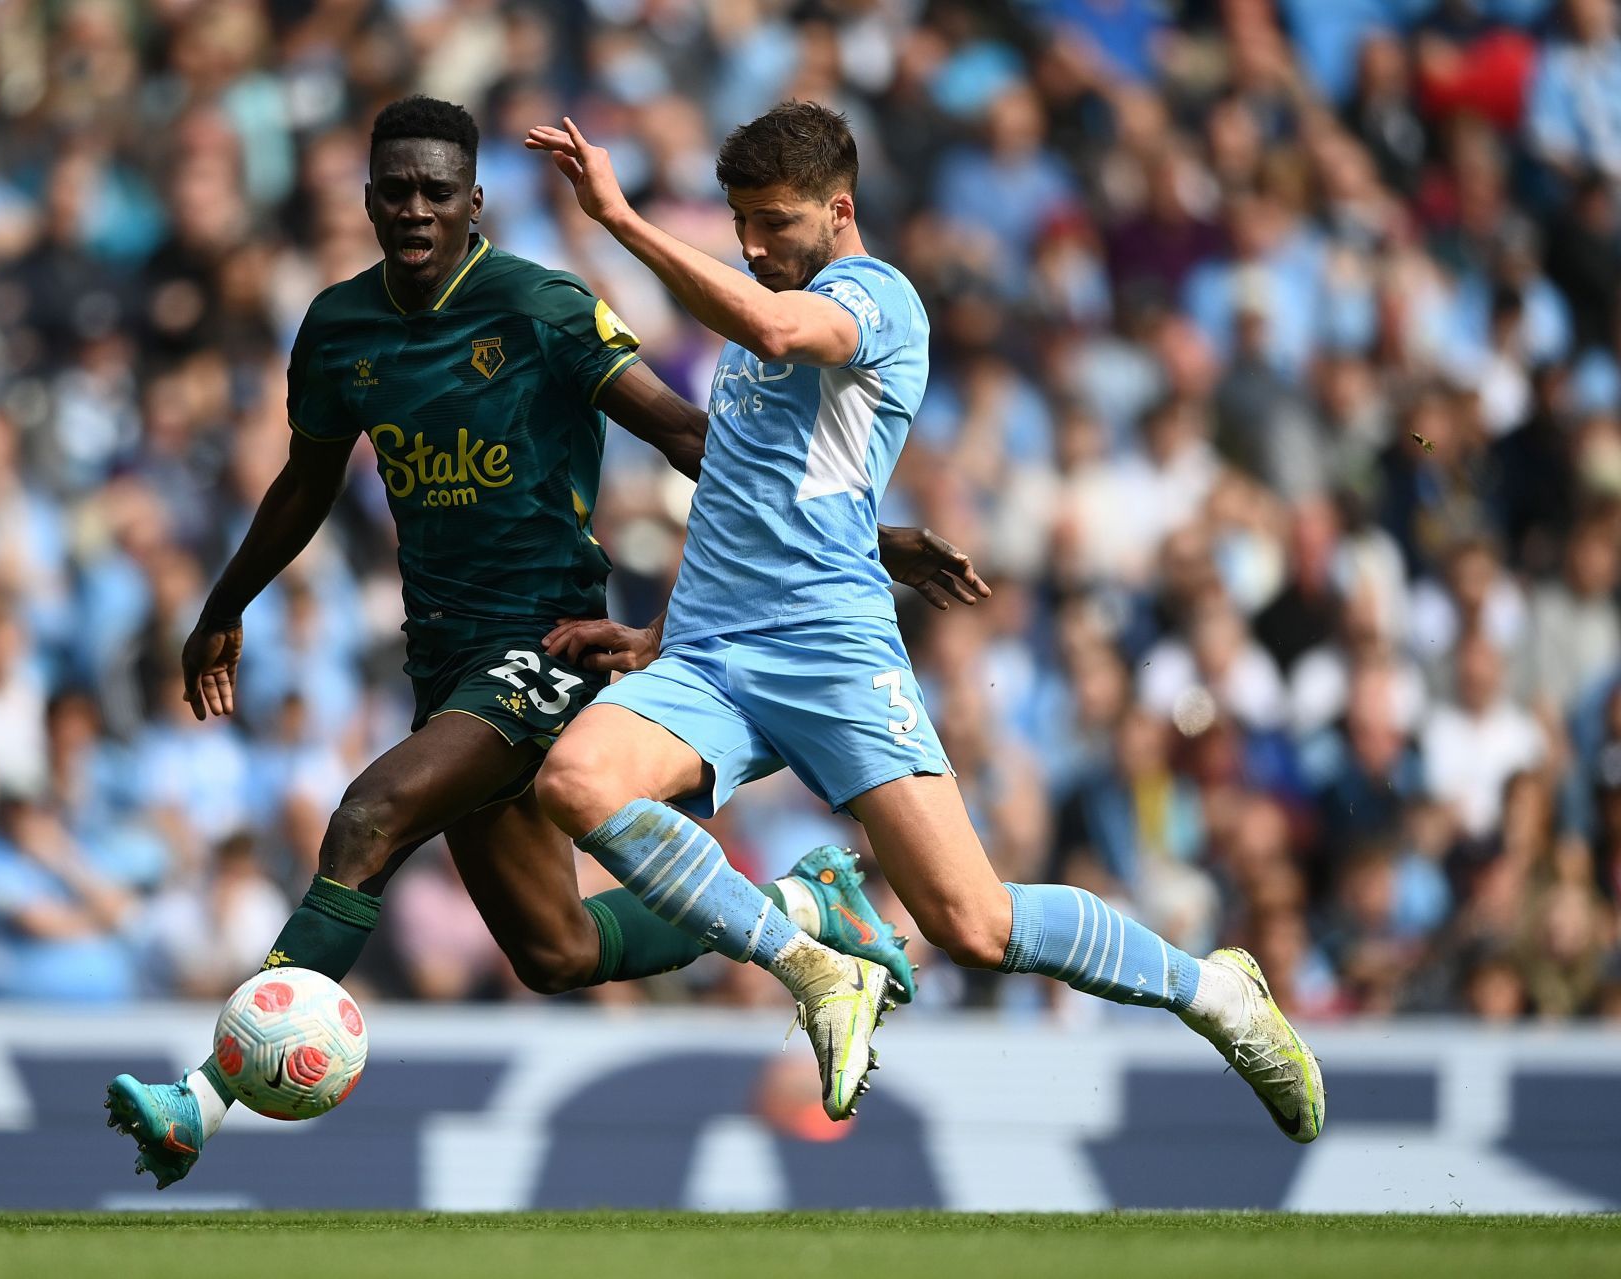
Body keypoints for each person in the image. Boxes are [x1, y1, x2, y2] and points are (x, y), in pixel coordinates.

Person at [105, 96, 984, 1185]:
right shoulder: (339, 327)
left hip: (543, 643)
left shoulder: (541, 306)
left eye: (438, 191)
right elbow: (306, 478)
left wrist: (866, 535)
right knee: (556, 950)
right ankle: (808, 903)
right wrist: (225, 601)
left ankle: (199, 1097)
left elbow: (682, 431)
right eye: (395, 190)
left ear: (474, 202)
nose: (416, 208)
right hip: (443, 656)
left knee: (369, 816)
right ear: (369, 198)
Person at [523, 101, 1325, 1135]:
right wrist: (659, 633)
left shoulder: (876, 297)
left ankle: (1218, 995)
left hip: (829, 652)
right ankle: (812, 960)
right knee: (575, 783)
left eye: (772, 222)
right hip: (711, 657)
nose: (753, 245)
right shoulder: (756, 310)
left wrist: (621, 221)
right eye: (740, 223)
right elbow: (744, 486)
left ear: (839, 210)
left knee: (974, 923)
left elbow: (774, 328)